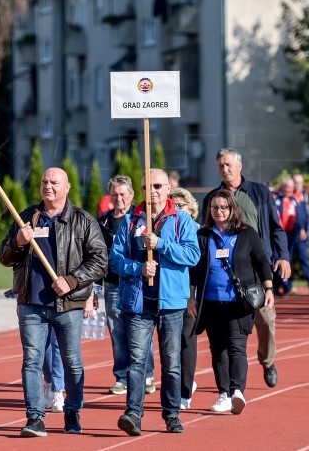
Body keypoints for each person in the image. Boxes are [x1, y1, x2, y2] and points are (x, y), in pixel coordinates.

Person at [0, 167, 107, 438]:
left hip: (67, 306)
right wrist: (18, 242)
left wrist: (72, 280)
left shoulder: (82, 220)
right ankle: (35, 417)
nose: (48, 186)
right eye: (44, 182)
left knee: (72, 362)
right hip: (31, 304)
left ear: (67, 187)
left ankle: (72, 411)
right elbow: (3, 256)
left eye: (54, 182)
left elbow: (100, 261)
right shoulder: (26, 218)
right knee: (32, 361)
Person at [110, 169, 200, 437]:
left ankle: (172, 414)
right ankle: (134, 413)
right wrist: (138, 269)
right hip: (138, 304)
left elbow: (192, 255)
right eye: (148, 186)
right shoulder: (130, 221)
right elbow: (114, 260)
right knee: (137, 361)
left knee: (171, 362)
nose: (154, 191)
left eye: (158, 186)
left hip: (171, 303)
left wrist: (161, 245)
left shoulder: (181, 220)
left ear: (169, 189)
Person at [202, 149, 290, 389]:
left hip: (256, 270)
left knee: (265, 320)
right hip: (224, 273)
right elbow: (204, 234)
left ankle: (267, 360)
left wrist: (283, 256)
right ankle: (231, 380)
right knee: (226, 330)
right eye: (220, 165)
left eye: (229, 164)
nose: (225, 169)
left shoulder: (259, 193)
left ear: (239, 166)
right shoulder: (212, 198)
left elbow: (275, 227)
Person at [190, 190, 273, 414]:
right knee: (218, 350)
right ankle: (223, 394)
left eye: (223, 207)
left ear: (233, 209)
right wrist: (191, 297)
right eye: (214, 208)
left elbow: (262, 261)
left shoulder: (247, 234)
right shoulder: (204, 235)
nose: (219, 211)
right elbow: (195, 270)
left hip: (239, 303)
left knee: (237, 347)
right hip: (210, 302)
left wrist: (269, 288)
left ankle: (237, 391)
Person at [97, 176, 156, 397]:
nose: (119, 198)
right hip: (113, 284)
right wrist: (94, 288)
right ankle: (122, 376)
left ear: (132, 195)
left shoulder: (141, 219)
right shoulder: (102, 222)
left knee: (142, 330)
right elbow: (97, 257)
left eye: (123, 194)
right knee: (118, 332)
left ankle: (147, 375)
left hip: (139, 284)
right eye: (115, 194)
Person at [169, 186, 200, 410]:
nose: (177, 209)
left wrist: (193, 295)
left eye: (181, 206)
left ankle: (184, 392)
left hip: (192, 295)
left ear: (191, 209)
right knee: (172, 345)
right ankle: (177, 386)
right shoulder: (165, 228)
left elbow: (199, 266)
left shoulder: (199, 232)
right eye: (174, 206)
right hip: (170, 295)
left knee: (187, 342)